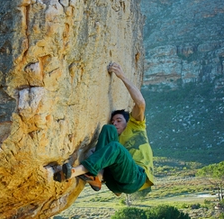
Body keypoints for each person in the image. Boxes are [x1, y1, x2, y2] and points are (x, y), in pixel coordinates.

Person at [54, 62, 154, 196]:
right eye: (113, 120)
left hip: (136, 178)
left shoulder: (136, 126)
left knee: (116, 148)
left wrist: (122, 76)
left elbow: (140, 103)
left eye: (119, 121)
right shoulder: (113, 141)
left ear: (128, 121)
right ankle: (98, 177)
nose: (115, 123)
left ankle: (75, 172)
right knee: (108, 130)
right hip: (115, 180)